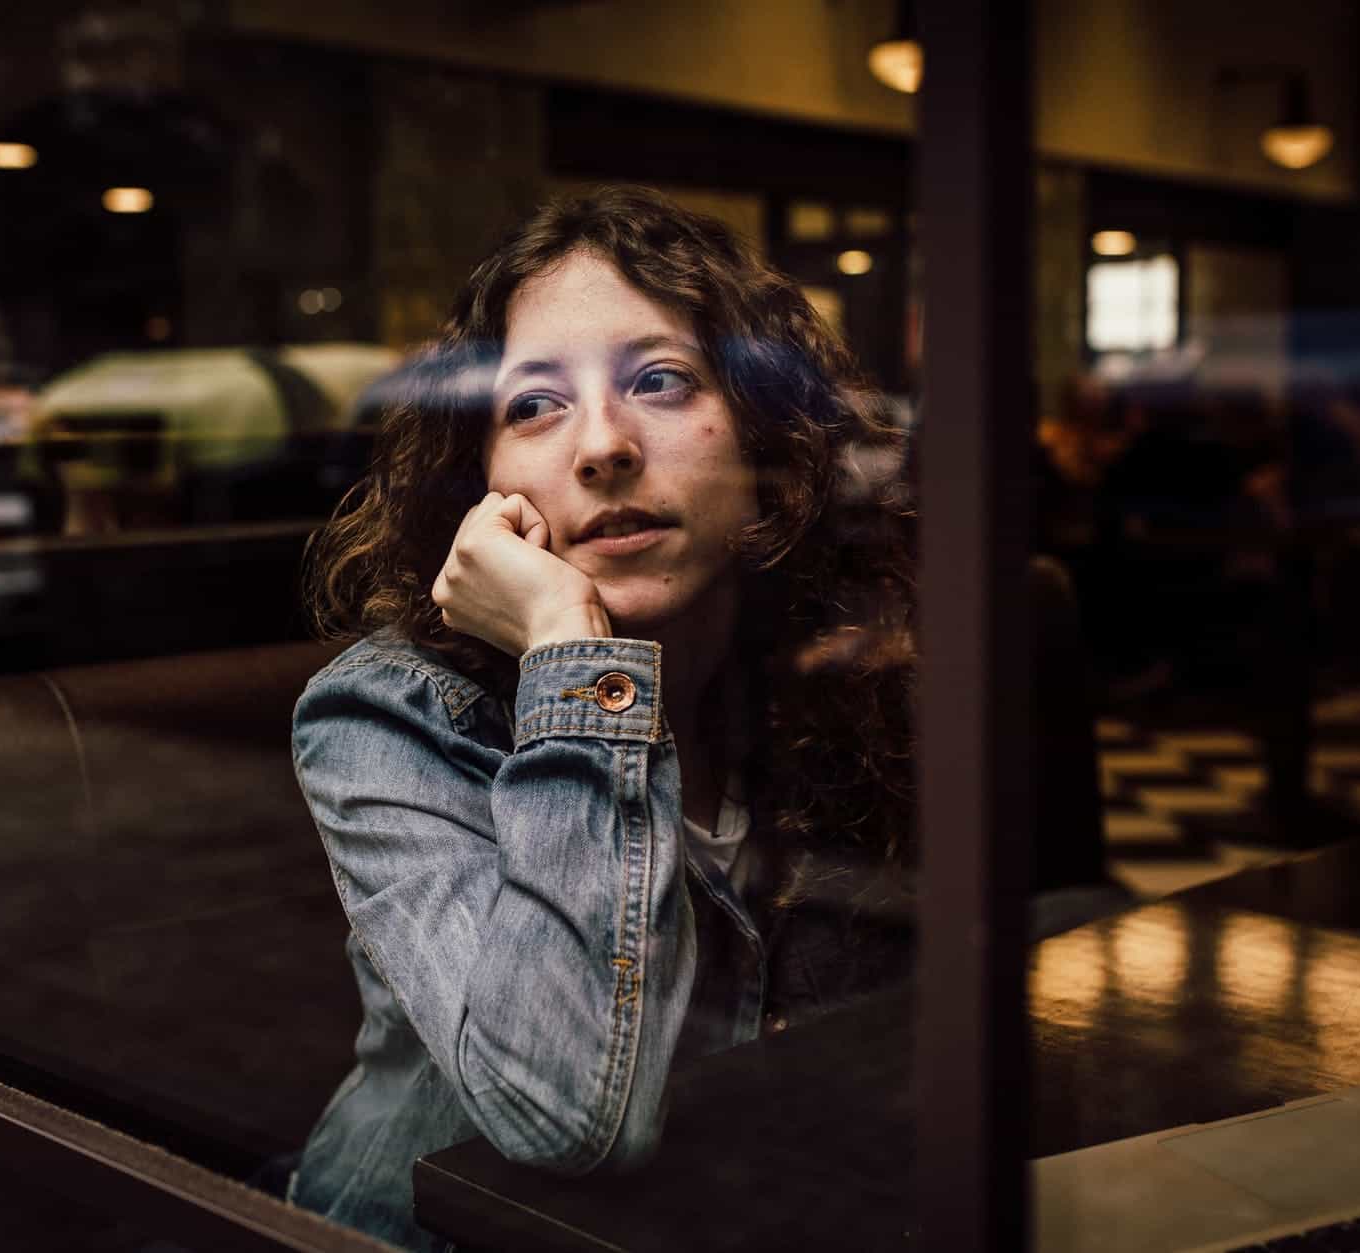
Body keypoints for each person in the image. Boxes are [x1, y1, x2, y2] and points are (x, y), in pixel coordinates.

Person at [286, 187, 917, 1250]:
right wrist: (572, 652)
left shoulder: (823, 681)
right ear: (481, 487)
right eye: (533, 404)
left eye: (660, 381)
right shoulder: (383, 712)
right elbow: (567, 1114)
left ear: (766, 467)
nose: (602, 447)